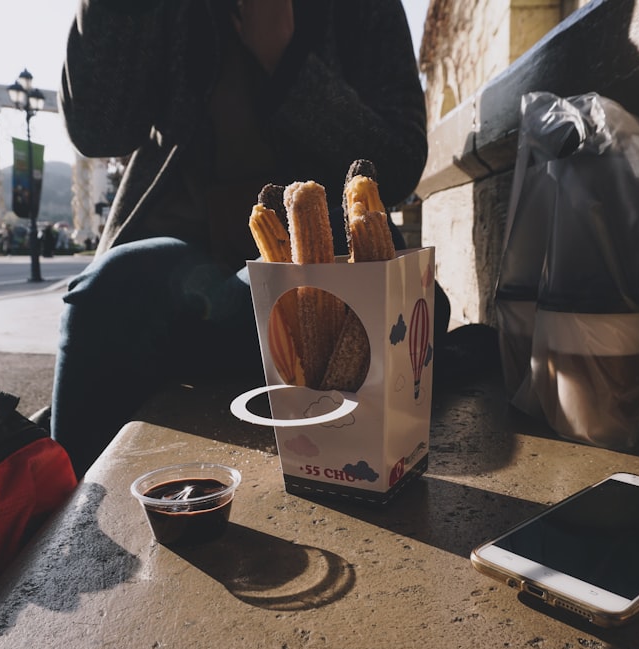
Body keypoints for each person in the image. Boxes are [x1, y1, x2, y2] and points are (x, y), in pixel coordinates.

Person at [51, 0, 448, 476]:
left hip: (317, 267)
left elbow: (397, 162)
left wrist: (285, 59)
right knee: (108, 293)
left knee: (411, 308)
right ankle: (65, 520)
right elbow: (96, 128)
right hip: (181, 257)